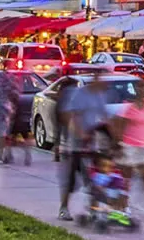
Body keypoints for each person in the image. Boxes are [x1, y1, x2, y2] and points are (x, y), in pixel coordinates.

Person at [58, 71, 115, 220]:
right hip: (77, 144)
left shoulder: (100, 95)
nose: (106, 86)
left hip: (92, 143)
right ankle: (64, 208)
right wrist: (81, 133)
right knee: (72, 180)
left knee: (95, 178)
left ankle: (93, 209)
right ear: (96, 80)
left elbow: (105, 117)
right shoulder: (81, 94)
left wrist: (112, 138)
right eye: (104, 82)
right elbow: (72, 116)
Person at [112, 80, 144, 221]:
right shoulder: (129, 107)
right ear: (135, 91)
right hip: (130, 146)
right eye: (139, 88)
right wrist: (119, 144)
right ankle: (125, 207)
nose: (141, 91)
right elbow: (120, 126)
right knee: (126, 179)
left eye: (143, 88)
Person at [0, 69, 23, 165]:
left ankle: (2, 155)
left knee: (2, 134)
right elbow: (16, 96)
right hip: (6, 110)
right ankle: (6, 154)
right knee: (5, 134)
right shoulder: (11, 85)